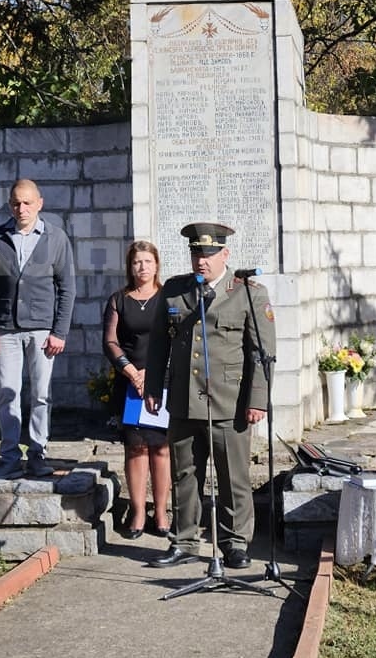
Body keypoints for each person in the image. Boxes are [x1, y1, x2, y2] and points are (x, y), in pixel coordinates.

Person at [144, 222, 276, 569]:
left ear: (225, 254)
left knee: (234, 476)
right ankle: (185, 541)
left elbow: (261, 354)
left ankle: (235, 542)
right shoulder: (174, 291)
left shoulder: (248, 292)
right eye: (196, 253)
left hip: (229, 402)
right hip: (185, 401)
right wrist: (154, 388)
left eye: (209, 254)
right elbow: (159, 344)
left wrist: (257, 400)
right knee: (184, 474)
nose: (201, 261)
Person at [0, 178, 76, 479]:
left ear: (39, 203)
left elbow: (67, 287)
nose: (22, 208)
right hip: (6, 329)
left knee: (41, 395)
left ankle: (37, 454)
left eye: (27, 202)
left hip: (42, 331)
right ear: (10, 205)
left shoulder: (56, 238)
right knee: (7, 392)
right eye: (16, 203)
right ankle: (9, 458)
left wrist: (59, 331)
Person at [103, 241, 171, 539]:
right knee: (136, 447)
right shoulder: (119, 299)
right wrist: (130, 370)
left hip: (163, 383)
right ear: (130, 267)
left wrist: (153, 373)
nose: (142, 267)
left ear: (156, 264)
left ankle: (161, 512)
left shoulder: (169, 298)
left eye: (147, 261)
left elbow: (177, 338)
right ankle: (138, 512)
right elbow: (110, 340)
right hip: (130, 383)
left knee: (161, 447)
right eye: (136, 262)